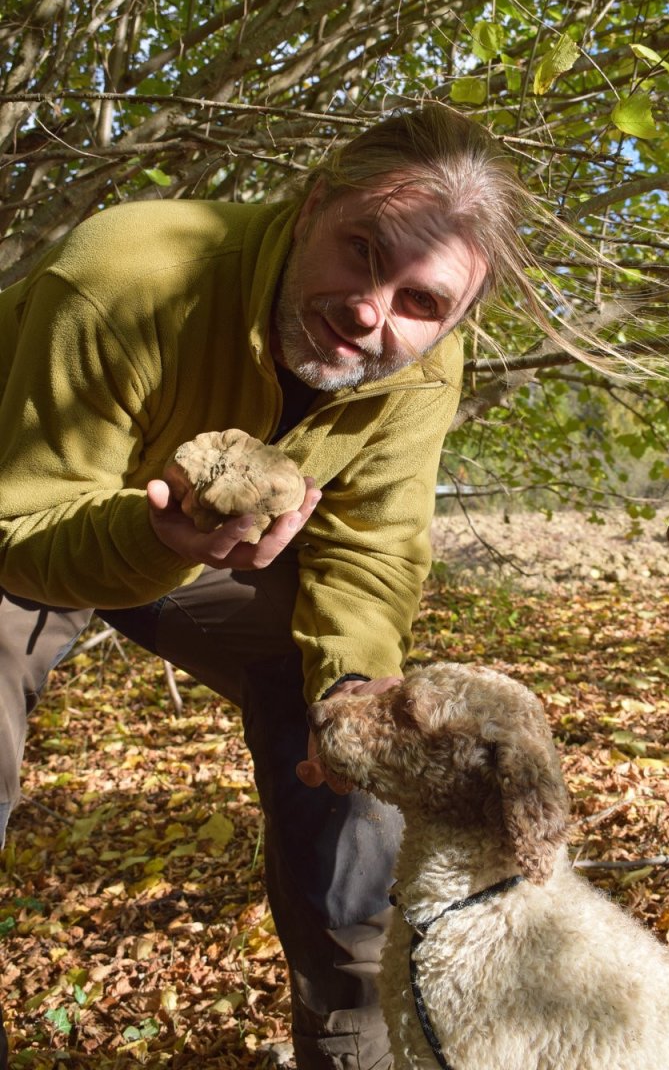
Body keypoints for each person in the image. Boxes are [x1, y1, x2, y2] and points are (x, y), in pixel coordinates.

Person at [0, 105, 544, 1069]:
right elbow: (21, 527)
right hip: (28, 508)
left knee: (363, 733)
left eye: (421, 301)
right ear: (313, 202)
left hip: (186, 542)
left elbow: (370, 551)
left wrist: (349, 693)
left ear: (463, 311)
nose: (371, 311)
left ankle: (355, 1046)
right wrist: (158, 536)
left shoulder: (421, 368)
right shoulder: (123, 277)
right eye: (361, 249)